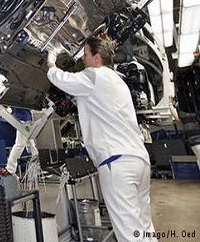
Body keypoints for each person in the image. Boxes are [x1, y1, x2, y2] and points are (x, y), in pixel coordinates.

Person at [46, 37, 156, 242]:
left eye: (86, 55)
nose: (83, 60)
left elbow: (61, 79)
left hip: (117, 163)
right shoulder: (117, 81)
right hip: (139, 160)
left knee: (129, 234)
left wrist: (51, 59)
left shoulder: (93, 75)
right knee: (144, 226)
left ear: (97, 58)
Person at [5, 107, 38, 175]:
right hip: (23, 119)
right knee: (20, 144)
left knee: (31, 143)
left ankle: (36, 166)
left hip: (24, 118)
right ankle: (10, 169)